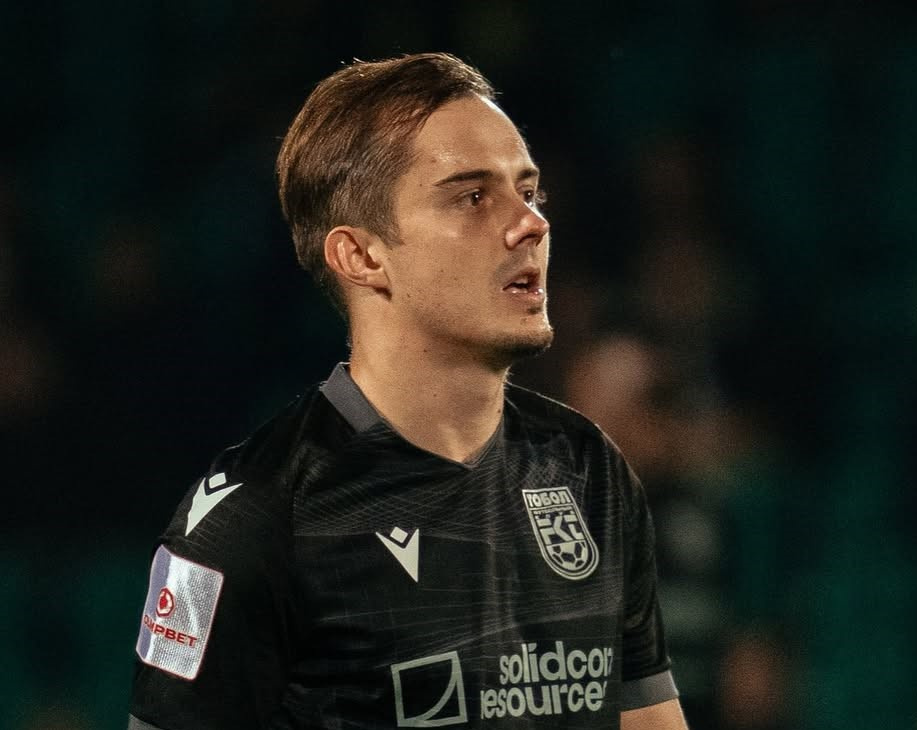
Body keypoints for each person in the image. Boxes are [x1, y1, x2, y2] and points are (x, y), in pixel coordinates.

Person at [128, 52, 688, 730]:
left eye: (529, 191)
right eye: (473, 197)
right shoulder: (249, 519)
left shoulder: (588, 467)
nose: (531, 223)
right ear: (361, 256)